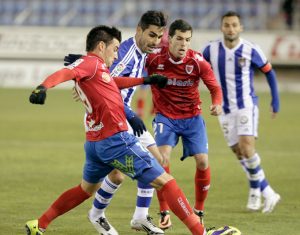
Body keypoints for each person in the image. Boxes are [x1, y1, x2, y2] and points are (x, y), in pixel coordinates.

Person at [25, 25, 215, 235]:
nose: (116, 55)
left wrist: (145, 80)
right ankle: (201, 233)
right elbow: (65, 72)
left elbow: (114, 82)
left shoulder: (97, 68)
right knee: (167, 182)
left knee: (86, 189)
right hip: (116, 141)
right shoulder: (91, 63)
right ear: (101, 46)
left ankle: (40, 224)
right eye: (114, 49)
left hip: (94, 143)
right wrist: (43, 87)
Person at [145, 19, 223, 226]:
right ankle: (164, 211)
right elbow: (131, 72)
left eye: (187, 40)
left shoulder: (197, 61)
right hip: (166, 117)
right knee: (162, 159)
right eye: (179, 39)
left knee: (203, 161)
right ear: (169, 39)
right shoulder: (153, 59)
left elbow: (215, 88)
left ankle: (199, 210)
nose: (183, 44)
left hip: (192, 118)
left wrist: (216, 103)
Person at [202, 11, 280, 213]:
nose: (231, 29)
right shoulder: (210, 50)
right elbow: (197, 70)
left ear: (241, 27)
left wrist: (276, 100)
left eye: (234, 25)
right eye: (227, 25)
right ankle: (261, 191)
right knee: (239, 153)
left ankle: (262, 191)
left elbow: (269, 72)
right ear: (221, 27)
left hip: (246, 105)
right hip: (223, 110)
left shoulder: (251, 49)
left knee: (247, 148)